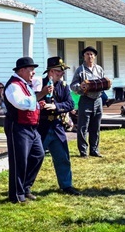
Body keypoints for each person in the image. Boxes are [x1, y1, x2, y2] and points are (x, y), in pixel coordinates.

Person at [3, 57, 47, 204]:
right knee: (19, 161)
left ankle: (25, 187)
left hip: (31, 127)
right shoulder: (13, 86)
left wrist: (36, 103)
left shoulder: (25, 84)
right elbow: (20, 103)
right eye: (31, 70)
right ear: (21, 70)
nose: (33, 73)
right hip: (18, 127)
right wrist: (34, 101)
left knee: (38, 155)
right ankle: (16, 195)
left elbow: (30, 101)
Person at [37, 57, 82, 196]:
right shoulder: (39, 84)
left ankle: (66, 185)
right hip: (42, 126)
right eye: (58, 72)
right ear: (50, 72)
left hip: (57, 125)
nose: (61, 74)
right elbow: (32, 100)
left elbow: (70, 104)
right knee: (35, 158)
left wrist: (56, 106)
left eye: (62, 72)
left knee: (63, 157)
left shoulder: (63, 86)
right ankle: (25, 187)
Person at [70, 46, 106, 158]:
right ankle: (83, 151)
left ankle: (94, 150)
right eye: (87, 54)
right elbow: (73, 85)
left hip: (98, 100)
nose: (89, 56)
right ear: (84, 57)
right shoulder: (80, 70)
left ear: (94, 56)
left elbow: (104, 82)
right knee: (83, 127)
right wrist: (80, 87)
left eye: (91, 54)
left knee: (96, 126)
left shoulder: (99, 69)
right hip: (85, 99)